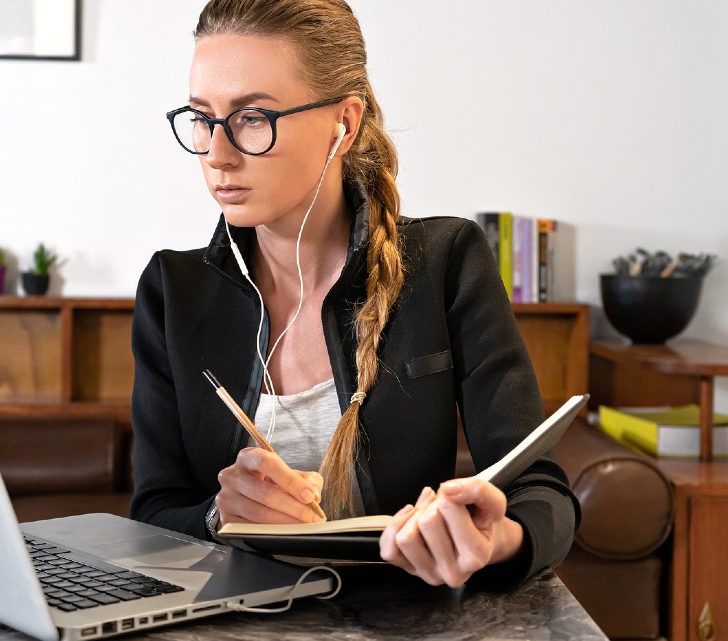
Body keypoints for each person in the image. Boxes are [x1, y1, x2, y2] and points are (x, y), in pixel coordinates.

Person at [131, 0, 579, 590]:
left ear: (343, 123)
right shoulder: (173, 291)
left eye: (252, 118)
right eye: (201, 117)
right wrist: (221, 517)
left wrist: (499, 539)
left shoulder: (446, 262)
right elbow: (152, 516)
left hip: (406, 630)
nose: (217, 153)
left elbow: (541, 492)